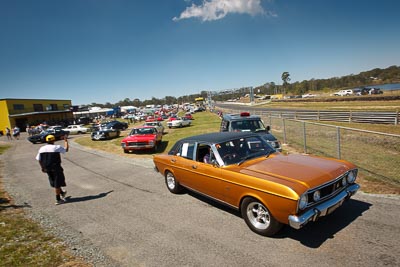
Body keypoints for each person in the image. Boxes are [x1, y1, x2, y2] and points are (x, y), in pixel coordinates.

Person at [36, 134, 69, 205]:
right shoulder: (56, 147)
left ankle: (62, 192)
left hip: (47, 168)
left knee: (54, 181)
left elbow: (39, 159)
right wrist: (66, 141)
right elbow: (66, 149)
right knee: (57, 183)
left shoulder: (41, 148)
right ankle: (58, 199)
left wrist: (42, 168)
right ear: (54, 140)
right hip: (56, 168)